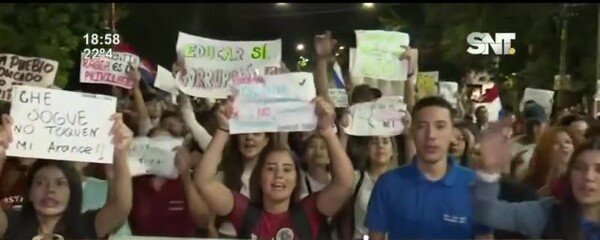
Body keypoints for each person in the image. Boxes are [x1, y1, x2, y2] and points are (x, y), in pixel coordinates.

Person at [195, 97, 354, 239]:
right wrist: (223, 129)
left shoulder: (309, 212)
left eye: (287, 169)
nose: (279, 175)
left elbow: (345, 183)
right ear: (259, 176)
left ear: (297, 179)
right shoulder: (245, 214)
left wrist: (327, 131)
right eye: (271, 168)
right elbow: (203, 182)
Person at [365, 96, 492, 239]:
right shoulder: (388, 184)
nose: (431, 135)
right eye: (421, 126)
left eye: (440, 126)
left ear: (452, 133)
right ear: (412, 131)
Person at [0, 113, 133, 240]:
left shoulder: (84, 226)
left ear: (73, 192)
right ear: (29, 192)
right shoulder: (12, 223)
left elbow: (121, 207)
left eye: (60, 183)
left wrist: (120, 153)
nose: (50, 190)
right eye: (40, 183)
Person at [474, 122, 600, 238]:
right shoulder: (549, 214)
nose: (588, 176)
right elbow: (487, 212)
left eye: (598, 170)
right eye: (579, 168)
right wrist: (489, 171)